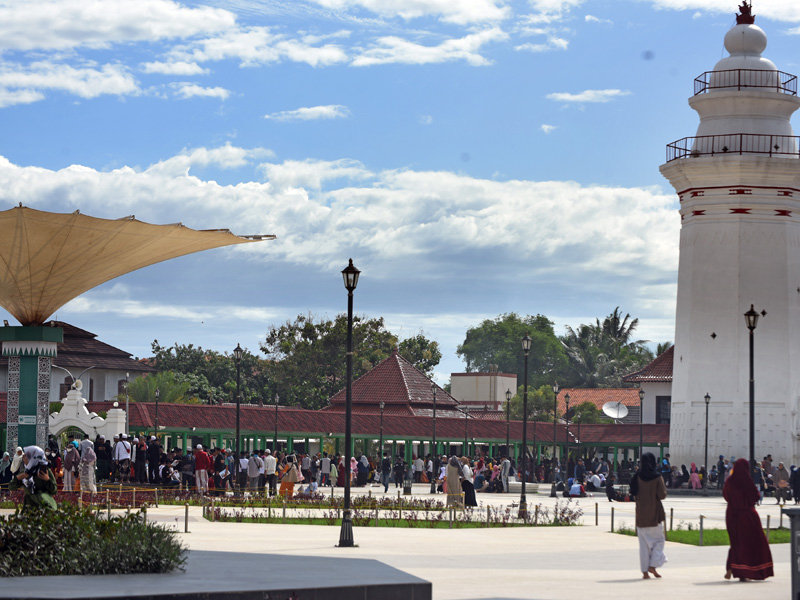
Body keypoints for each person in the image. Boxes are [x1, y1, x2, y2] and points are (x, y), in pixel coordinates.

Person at [723, 458, 773, 581]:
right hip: (747, 515)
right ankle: (747, 571)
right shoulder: (746, 481)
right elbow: (755, 496)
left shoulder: (730, 481)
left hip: (732, 514)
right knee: (752, 542)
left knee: (736, 542)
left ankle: (732, 568)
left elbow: (726, 495)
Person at [630, 452, 667, 579]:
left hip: (641, 515)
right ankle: (653, 565)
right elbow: (662, 495)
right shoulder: (657, 477)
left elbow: (634, 493)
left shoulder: (637, 477)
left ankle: (645, 572)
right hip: (654, 515)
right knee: (659, 541)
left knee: (643, 546)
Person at [10, 446, 57, 510]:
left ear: (33, 458)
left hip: (44, 507)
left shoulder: (45, 471)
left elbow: (54, 490)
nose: (23, 457)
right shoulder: (24, 472)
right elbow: (11, 487)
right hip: (29, 508)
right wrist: (18, 478)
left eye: (27, 456)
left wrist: (47, 480)